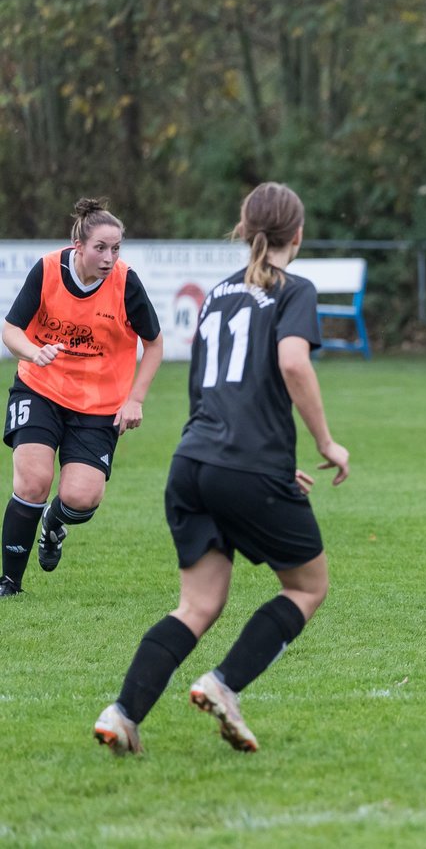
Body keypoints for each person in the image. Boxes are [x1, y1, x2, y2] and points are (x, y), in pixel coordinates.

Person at [93, 183, 351, 755]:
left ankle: (122, 713)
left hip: (193, 462)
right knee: (308, 586)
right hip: (246, 466)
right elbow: (292, 364)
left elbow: (211, 387)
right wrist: (326, 443)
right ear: (298, 235)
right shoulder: (294, 289)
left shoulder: (218, 294)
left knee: (198, 606)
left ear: (245, 227)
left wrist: (264, 461)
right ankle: (224, 684)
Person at [0, 199, 163, 598]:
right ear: (79, 245)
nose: (109, 257)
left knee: (81, 498)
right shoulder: (48, 270)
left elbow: (154, 344)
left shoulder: (127, 283)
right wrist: (32, 353)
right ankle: (9, 583)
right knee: (34, 481)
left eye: (116, 248)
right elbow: (10, 329)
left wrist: (135, 399)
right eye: (101, 248)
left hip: (100, 405)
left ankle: (54, 523)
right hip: (41, 388)